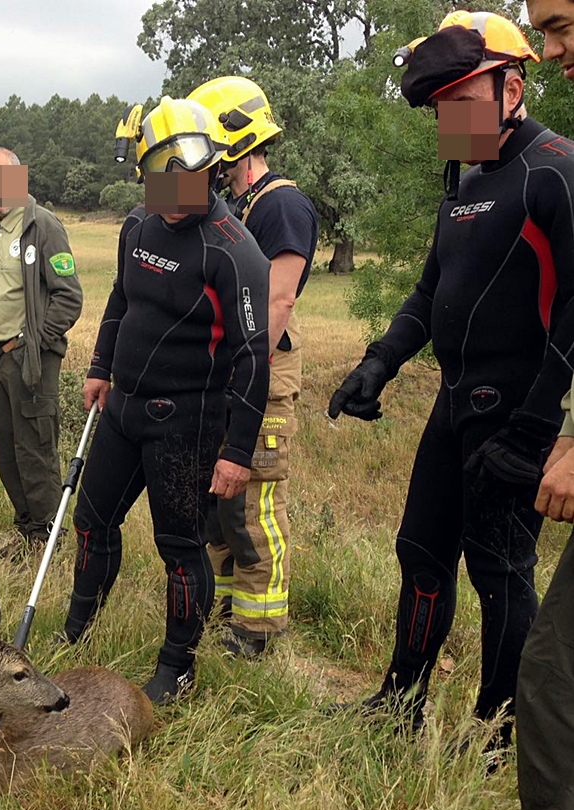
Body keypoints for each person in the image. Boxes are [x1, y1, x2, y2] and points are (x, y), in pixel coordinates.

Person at [327, 10, 574, 765]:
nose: (451, 121)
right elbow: (431, 292)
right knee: (421, 554)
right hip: (455, 404)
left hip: (519, 413)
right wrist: (380, 361)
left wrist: (537, 430)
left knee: (499, 573)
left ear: (513, 87)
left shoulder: (554, 170)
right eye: (442, 109)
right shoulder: (465, 178)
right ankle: (400, 701)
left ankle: (499, 729)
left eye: (464, 103)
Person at [58, 97, 272, 705]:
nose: (174, 194)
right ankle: (77, 631)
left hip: (189, 424)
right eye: (161, 180)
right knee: (90, 520)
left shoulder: (235, 251)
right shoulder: (138, 224)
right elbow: (121, 300)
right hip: (124, 410)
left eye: (188, 180)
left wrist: (237, 452)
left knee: (179, 548)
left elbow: (255, 357)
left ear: (211, 169)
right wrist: (100, 367)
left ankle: (177, 667)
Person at [189, 76, 320, 658]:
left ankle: (258, 629)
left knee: (255, 505)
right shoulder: (241, 206)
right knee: (221, 506)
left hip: (260, 381)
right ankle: (226, 610)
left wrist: (242, 377)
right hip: (227, 378)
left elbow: (278, 301)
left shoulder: (283, 206)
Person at [0, 147, 83, 559]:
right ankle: (27, 531)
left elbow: (69, 298)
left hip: (31, 362)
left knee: (36, 451)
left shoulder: (43, 226)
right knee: (8, 452)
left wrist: (33, 343)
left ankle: (49, 539)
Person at [519, 2, 574, 810]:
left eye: (561, 23)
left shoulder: (554, 167)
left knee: (551, 674)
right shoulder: (469, 180)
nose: (552, 49)